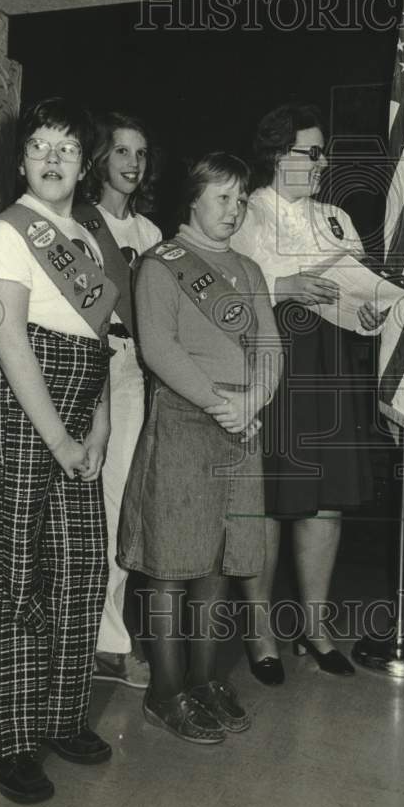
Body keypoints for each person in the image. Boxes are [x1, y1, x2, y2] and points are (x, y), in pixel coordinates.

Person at [0, 98, 117, 804]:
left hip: (79, 404)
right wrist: (57, 435)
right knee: (18, 572)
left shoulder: (86, 238)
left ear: (83, 163)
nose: (54, 158)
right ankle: (6, 737)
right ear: (21, 160)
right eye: (40, 146)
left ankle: (59, 715)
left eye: (66, 146)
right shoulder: (7, 231)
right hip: (24, 405)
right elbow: (8, 339)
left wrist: (98, 427)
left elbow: (100, 343)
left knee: (82, 567)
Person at [118, 152, 282, 743]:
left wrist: (253, 402)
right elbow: (159, 349)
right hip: (187, 419)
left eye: (241, 200)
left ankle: (205, 679)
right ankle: (165, 692)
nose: (234, 210)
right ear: (193, 199)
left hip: (241, 423)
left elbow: (271, 349)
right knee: (169, 565)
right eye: (223, 198)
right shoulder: (162, 264)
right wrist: (224, 404)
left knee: (218, 560)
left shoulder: (248, 270)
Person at [231, 103, 387, 685]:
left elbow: (358, 288)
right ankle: (261, 632)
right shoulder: (246, 211)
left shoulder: (337, 217)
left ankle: (316, 629)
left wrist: (369, 310)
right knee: (272, 500)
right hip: (273, 365)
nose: (322, 163)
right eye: (311, 151)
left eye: (324, 152)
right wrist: (285, 285)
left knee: (326, 501)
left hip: (331, 365)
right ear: (277, 154)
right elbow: (224, 286)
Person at [78, 112, 162, 689]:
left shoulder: (154, 234)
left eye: (141, 152)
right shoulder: (80, 224)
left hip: (141, 375)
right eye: (122, 151)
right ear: (101, 158)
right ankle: (101, 639)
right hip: (94, 376)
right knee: (102, 506)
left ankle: (103, 635)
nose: (132, 162)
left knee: (127, 505)